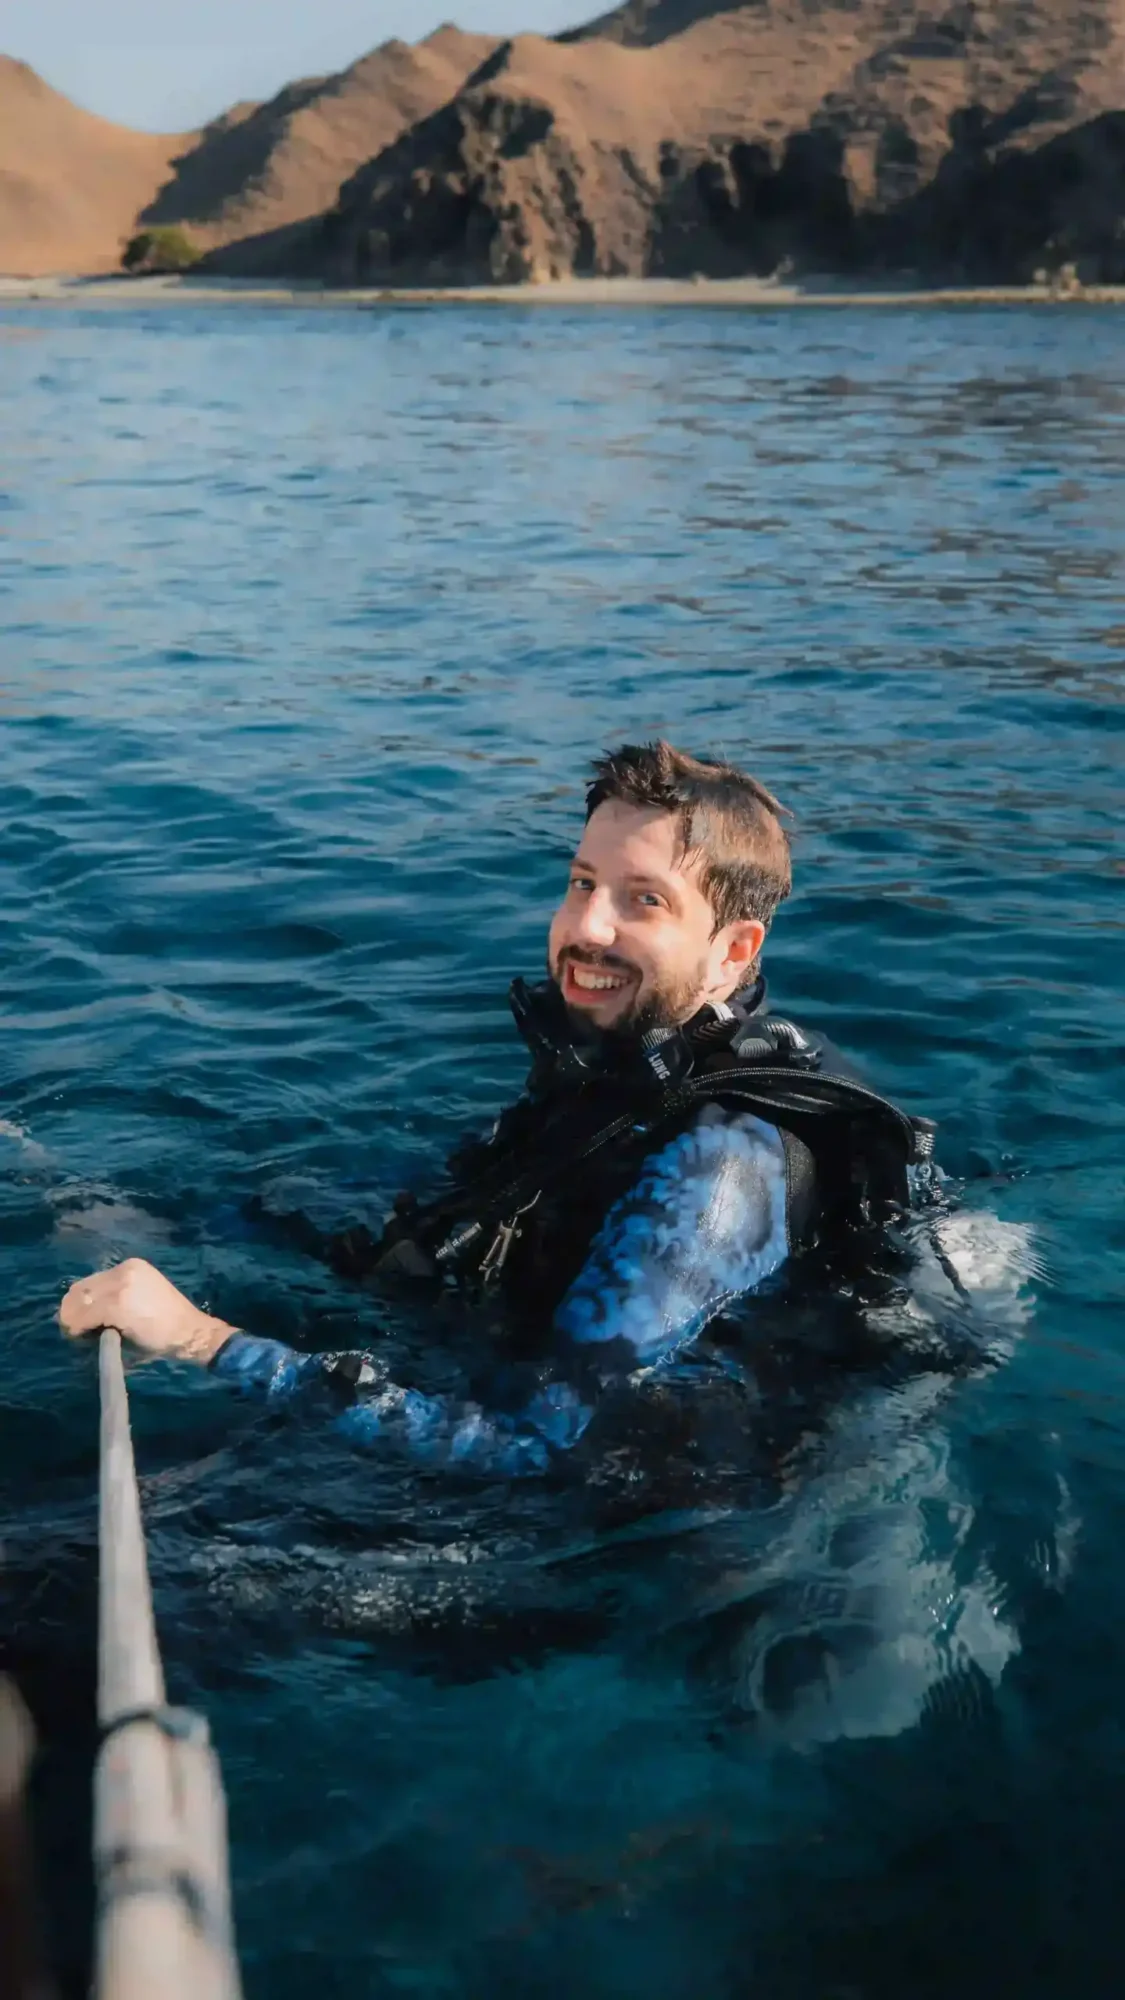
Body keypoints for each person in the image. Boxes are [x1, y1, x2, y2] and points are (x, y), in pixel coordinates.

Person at [60, 741, 933, 1477]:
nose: (587, 927)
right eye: (581, 882)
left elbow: (542, 1452)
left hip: (597, 1546)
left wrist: (202, 1340)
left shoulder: (717, 1166)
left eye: (643, 901)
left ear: (733, 952)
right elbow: (473, 1196)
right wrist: (181, 1222)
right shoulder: (625, 1077)